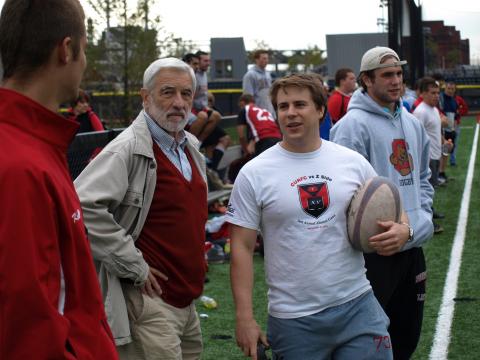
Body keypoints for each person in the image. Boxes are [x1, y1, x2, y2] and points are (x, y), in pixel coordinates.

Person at [228, 73, 392, 360]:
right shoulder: (254, 173)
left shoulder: (351, 162)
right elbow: (241, 247)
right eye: (283, 106)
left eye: (300, 104)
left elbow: (390, 211)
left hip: (357, 305)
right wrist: (244, 317)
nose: (290, 113)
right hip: (293, 319)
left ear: (320, 110)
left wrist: (403, 230)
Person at [0, 1, 117, 359]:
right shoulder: (21, 165)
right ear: (67, 50)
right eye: (85, 47)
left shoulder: (31, 144)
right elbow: (29, 330)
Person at [75, 58, 208, 359]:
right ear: (145, 98)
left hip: (186, 301)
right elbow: (81, 204)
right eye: (168, 92)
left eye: (186, 94)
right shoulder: (127, 149)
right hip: (149, 303)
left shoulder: (189, 147)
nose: (178, 103)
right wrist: (135, 265)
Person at [331, 46, 434, 360]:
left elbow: (423, 178)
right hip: (373, 256)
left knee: (406, 337)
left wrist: (418, 222)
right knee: (370, 344)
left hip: (411, 246)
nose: (395, 81)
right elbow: (342, 196)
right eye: (387, 75)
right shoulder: (351, 126)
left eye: (399, 74)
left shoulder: (413, 123)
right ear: (366, 80)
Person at [193, 50, 231, 173]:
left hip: (205, 111)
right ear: (198, 61)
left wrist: (208, 104)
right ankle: (196, 144)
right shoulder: (193, 74)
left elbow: (203, 96)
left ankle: (212, 171)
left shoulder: (204, 75)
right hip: (196, 114)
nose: (208, 63)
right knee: (215, 116)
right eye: (205, 60)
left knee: (224, 138)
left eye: (209, 61)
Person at [242, 49, 275, 116]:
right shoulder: (250, 75)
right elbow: (248, 98)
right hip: (258, 113)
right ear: (257, 60)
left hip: (269, 111)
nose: (266, 61)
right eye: (264, 58)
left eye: (267, 58)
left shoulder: (267, 74)